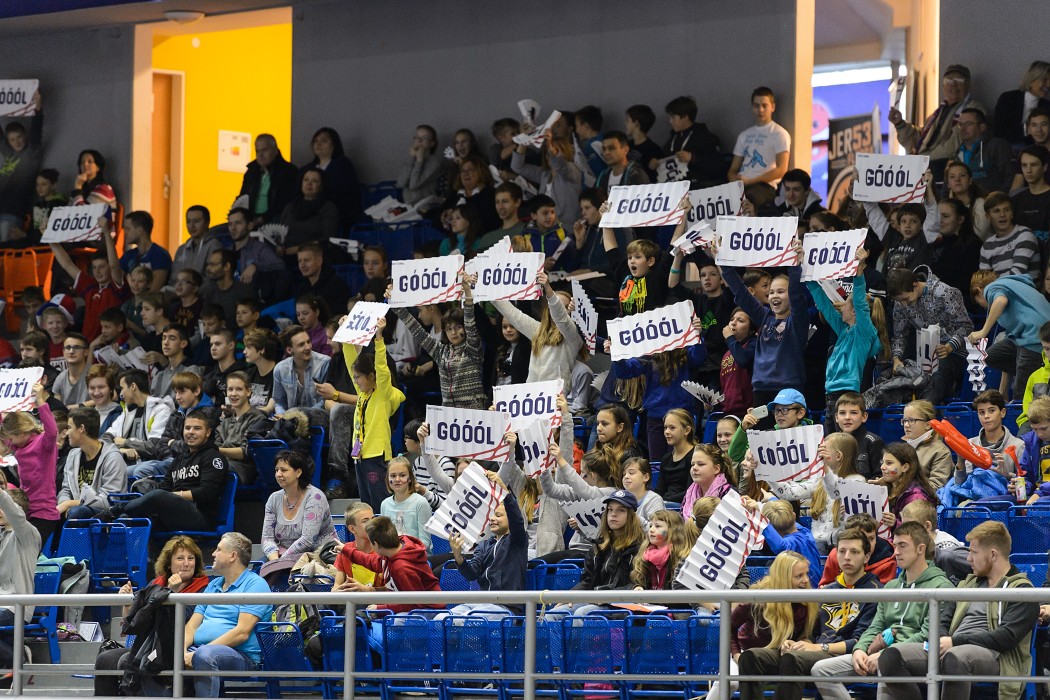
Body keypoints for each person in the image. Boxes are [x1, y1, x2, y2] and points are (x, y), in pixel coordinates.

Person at [878, 521, 1038, 700]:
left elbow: (1006, 638)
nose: (968, 558)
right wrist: (942, 639)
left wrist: (955, 641)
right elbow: (944, 619)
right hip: (951, 647)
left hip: (995, 655)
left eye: (973, 552)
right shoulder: (967, 584)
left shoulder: (1022, 590)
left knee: (956, 657)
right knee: (890, 656)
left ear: (993, 555)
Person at [812, 521, 954, 700]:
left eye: (902, 546)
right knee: (820, 670)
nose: (896, 552)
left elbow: (927, 635)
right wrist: (860, 650)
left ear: (921, 549)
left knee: (887, 664)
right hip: (880, 652)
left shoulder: (940, 587)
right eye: (895, 546)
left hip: (912, 655)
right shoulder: (892, 586)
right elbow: (875, 626)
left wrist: (884, 654)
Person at [738, 527, 881, 700]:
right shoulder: (827, 590)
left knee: (793, 659)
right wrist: (796, 643)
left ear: (866, 557)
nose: (847, 557)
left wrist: (816, 647)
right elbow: (812, 634)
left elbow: (860, 641)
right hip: (811, 653)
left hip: (844, 657)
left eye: (854, 552)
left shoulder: (876, 592)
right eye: (842, 551)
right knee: (751, 657)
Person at [93, 536, 210, 697]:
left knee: (128, 662)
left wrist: (171, 593)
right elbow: (134, 622)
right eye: (180, 558)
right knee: (105, 660)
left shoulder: (204, 588)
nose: (187, 563)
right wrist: (127, 604)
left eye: (191, 558)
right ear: (169, 563)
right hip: (147, 644)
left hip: (173, 647)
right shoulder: (156, 583)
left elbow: (179, 619)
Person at [719, 241, 807, 425]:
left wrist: (795, 265)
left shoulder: (797, 322)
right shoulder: (764, 316)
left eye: (781, 291)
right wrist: (723, 262)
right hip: (760, 389)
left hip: (787, 389)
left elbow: (798, 298)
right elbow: (742, 294)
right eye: (772, 292)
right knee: (763, 439)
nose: (775, 295)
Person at [107, 410, 228, 532]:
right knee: (128, 519)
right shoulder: (178, 460)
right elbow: (165, 488)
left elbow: (207, 492)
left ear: (208, 432)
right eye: (187, 428)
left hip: (200, 516)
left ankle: (113, 510)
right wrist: (167, 497)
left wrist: (174, 496)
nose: (191, 432)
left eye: (197, 428)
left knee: (158, 496)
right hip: (173, 512)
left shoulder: (213, 457)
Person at [183, 533, 273, 698]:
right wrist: (180, 651)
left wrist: (197, 653)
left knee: (204, 657)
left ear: (232, 556)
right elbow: (192, 625)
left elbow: (241, 633)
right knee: (159, 655)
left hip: (241, 656)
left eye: (218, 549)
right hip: (200, 650)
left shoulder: (256, 584)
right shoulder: (214, 585)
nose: (213, 554)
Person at [391, 275, 487, 409]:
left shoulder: (472, 349)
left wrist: (468, 294)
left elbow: (470, 322)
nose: (453, 332)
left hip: (473, 412)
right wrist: (396, 305)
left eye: (458, 327)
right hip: (448, 412)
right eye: (449, 329)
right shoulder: (441, 351)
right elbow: (416, 330)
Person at [341, 316, 404, 509]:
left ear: (371, 376)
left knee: (379, 504)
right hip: (360, 456)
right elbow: (350, 359)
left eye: (358, 377)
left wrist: (378, 337)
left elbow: (382, 369)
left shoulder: (383, 393)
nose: (356, 381)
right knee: (366, 505)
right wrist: (345, 336)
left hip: (376, 455)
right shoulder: (363, 393)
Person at [887, 266, 973, 405]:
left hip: (958, 351)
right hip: (926, 354)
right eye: (900, 300)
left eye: (905, 298)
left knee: (936, 378)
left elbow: (966, 326)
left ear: (915, 285)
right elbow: (899, 335)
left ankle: (922, 414)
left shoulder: (945, 293)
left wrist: (950, 346)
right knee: (905, 378)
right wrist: (896, 358)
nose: (903, 303)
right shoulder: (900, 303)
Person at [447, 471, 527, 616]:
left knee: (473, 619)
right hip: (481, 603)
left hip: (506, 607)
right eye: (491, 515)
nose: (492, 519)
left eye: (498, 515)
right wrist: (458, 556)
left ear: (509, 519)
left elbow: (517, 518)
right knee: (444, 618)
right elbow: (472, 574)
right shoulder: (484, 545)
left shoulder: (518, 540)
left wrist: (504, 490)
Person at [969, 270, 1050, 398]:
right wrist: (1003, 391)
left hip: (1034, 337)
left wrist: (983, 331)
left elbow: (1000, 301)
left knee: (1020, 394)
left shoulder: (993, 287)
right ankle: (1030, 370)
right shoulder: (1015, 287)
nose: (984, 307)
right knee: (990, 356)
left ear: (979, 291)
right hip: (1027, 337)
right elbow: (1008, 353)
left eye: (979, 302)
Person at [343, 515, 443, 613]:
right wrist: (345, 550)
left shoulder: (402, 569)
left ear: (376, 544)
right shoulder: (392, 553)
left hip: (428, 610)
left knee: (397, 620)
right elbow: (373, 562)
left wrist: (380, 609)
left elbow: (415, 604)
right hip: (408, 603)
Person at [48, 215, 127, 341]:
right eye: (94, 268)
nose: (97, 271)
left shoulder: (117, 286)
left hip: (111, 345)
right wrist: (50, 238)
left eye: (102, 267)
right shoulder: (90, 286)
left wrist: (106, 232)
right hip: (88, 345)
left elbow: (114, 265)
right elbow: (66, 264)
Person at [0, 383, 59, 544]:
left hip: (44, 513)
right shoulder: (19, 446)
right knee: (18, 556)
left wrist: (40, 401)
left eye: (11, 438)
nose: (8, 443)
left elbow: (52, 431)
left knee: (27, 554)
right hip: (26, 510)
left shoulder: (43, 444)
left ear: (20, 432)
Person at [889, 64, 986, 158]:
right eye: (949, 80)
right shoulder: (936, 115)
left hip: (947, 166)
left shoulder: (973, 110)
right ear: (943, 86)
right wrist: (900, 124)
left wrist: (924, 160)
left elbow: (954, 145)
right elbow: (919, 141)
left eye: (959, 79)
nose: (953, 84)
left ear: (968, 84)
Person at [261, 450, 335, 567]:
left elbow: (307, 540)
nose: (278, 474)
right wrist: (274, 559)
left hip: (317, 556)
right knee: (260, 569)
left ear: (298, 472)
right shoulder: (273, 499)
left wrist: (280, 562)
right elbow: (267, 538)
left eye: (284, 470)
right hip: (281, 556)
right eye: (276, 470)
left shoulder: (315, 497)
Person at [56, 407, 126, 521]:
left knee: (76, 512)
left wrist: (69, 504)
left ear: (81, 428)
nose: (66, 432)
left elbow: (109, 501)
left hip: (105, 514)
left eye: (69, 427)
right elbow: (66, 489)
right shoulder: (73, 455)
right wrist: (64, 503)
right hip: (76, 510)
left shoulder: (113, 457)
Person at [0, 486, 41, 681]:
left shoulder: (28, 534)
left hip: (17, 606)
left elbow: (13, 512)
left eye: (3, 507)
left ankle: (18, 659)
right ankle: (15, 655)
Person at [743, 498, 822, 586]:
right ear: (794, 516)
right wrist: (771, 499)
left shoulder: (791, 542)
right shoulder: (805, 532)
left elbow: (780, 546)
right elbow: (784, 515)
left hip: (807, 593)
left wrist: (761, 519)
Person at [104, 369, 173, 462]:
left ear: (133, 386)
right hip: (126, 462)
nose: (120, 394)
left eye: (122, 388)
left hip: (151, 463)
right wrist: (121, 450)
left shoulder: (161, 410)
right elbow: (104, 439)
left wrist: (125, 442)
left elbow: (154, 447)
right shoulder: (127, 412)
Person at [727, 87, 790, 187]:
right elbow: (733, 169)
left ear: (772, 107)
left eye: (764, 106)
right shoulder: (744, 135)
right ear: (752, 107)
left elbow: (781, 170)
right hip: (741, 183)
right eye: (756, 106)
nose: (760, 110)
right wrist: (733, 181)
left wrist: (751, 181)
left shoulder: (779, 133)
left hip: (765, 185)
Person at [214, 371, 269, 483]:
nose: (233, 394)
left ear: (248, 392)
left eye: (239, 389)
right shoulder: (225, 421)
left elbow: (246, 452)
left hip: (244, 468)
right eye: (230, 389)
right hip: (223, 462)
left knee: (212, 467)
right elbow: (217, 445)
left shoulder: (258, 418)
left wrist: (216, 450)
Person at [303, 126, 361, 228]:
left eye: (324, 141)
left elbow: (339, 193)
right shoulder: (307, 168)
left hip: (335, 212)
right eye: (315, 141)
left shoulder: (343, 165)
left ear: (334, 145)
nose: (318, 144)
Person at [225, 207, 286, 304]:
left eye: (238, 223)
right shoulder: (225, 252)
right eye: (230, 224)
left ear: (249, 225)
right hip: (229, 300)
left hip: (251, 303)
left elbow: (279, 264)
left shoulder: (259, 248)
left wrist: (255, 265)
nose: (233, 228)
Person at [240, 134, 298, 227]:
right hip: (250, 219)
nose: (260, 155)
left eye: (264, 150)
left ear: (275, 151)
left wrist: (262, 219)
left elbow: (285, 203)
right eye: (257, 151)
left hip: (275, 221)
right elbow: (243, 197)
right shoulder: (251, 171)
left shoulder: (288, 172)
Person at [280, 166, 339, 258]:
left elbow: (328, 238)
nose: (309, 184)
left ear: (322, 186)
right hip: (286, 253)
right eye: (306, 180)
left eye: (315, 181)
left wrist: (301, 248)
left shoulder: (328, 208)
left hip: (314, 254)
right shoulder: (290, 207)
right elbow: (280, 232)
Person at [950, 108, 1014, 193]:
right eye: (960, 124)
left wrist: (998, 200)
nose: (963, 128)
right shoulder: (956, 154)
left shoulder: (996, 145)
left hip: (992, 202)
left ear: (982, 127)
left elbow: (1010, 177)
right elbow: (947, 186)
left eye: (968, 124)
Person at [272, 325, 331, 416]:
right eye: (301, 345)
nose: (308, 347)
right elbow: (279, 401)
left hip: (318, 417)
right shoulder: (280, 369)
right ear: (289, 350)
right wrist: (281, 414)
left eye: (308, 342)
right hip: (291, 420)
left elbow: (325, 400)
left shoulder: (324, 363)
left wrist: (300, 415)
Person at [980, 192, 1041, 279]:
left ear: (1012, 213)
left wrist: (994, 279)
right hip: (997, 290)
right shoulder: (987, 246)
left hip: (1024, 291)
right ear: (988, 217)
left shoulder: (1025, 235)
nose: (1002, 215)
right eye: (996, 211)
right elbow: (983, 281)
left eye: (1006, 210)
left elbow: (1017, 275)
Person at [380, 456, 433, 553]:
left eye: (402, 475)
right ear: (387, 479)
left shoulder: (420, 503)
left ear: (410, 479)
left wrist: (403, 553)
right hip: (393, 558)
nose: (397, 479)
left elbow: (425, 542)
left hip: (417, 558)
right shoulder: (385, 504)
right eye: (392, 476)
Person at [881, 441, 939, 528]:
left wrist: (895, 524)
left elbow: (919, 530)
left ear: (905, 467)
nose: (882, 467)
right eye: (882, 462)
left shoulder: (916, 497)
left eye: (889, 463)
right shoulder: (888, 487)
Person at [993, 60, 1050, 145]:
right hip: (1008, 147)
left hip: (1035, 150)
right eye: (1044, 80)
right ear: (1031, 79)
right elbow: (999, 130)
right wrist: (1027, 128)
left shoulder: (1047, 106)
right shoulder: (1009, 98)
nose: (1049, 85)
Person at [900, 400, 953, 489]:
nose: (906, 425)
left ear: (928, 425)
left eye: (911, 420)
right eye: (904, 420)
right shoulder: (902, 448)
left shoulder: (941, 451)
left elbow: (936, 487)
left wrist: (903, 488)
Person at [291, 243, 351, 319]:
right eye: (300, 261)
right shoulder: (301, 288)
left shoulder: (337, 286)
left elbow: (339, 318)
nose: (302, 265)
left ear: (319, 261)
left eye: (306, 260)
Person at [333, 502, 383, 589]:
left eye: (373, 519)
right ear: (352, 529)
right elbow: (336, 587)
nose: (372, 524)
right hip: (352, 601)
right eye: (366, 521)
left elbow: (393, 590)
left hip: (381, 602)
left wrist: (367, 590)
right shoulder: (345, 550)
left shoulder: (385, 549)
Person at [118, 210, 171, 291]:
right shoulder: (129, 255)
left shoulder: (160, 255)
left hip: (149, 302)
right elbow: (116, 278)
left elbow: (154, 291)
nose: (125, 233)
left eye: (128, 229)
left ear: (140, 230)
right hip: (130, 301)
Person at [655, 408, 699, 504]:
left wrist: (665, 501)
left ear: (686, 430)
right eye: (665, 427)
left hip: (684, 506)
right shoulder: (666, 459)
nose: (667, 431)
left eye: (672, 428)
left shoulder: (695, 457)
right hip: (665, 505)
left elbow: (691, 491)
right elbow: (659, 490)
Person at [200, 249, 253, 326]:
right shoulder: (209, 292)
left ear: (227, 266)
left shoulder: (244, 291)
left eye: (213, 264)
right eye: (208, 264)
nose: (208, 268)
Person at [395, 124, 443, 206]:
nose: (419, 141)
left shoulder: (435, 163)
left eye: (424, 138)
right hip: (408, 204)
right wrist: (412, 158)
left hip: (425, 205)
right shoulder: (412, 158)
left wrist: (419, 162)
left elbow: (414, 185)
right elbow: (400, 183)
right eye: (417, 137)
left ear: (431, 143)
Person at [150, 324, 200, 400]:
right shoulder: (160, 374)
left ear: (183, 344)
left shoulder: (191, 369)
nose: (166, 343)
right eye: (164, 338)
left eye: (172, 339)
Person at [171, 205, 221, 279]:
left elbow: (212, 279)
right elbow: (173, 278)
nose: (192, 226)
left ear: (207, 222)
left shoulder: (214, 245)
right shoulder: (182, 249)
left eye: (196, 221)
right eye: (188, 222)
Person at [1011, 145, 1050, 240]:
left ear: (1044, 167)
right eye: (1024, 165)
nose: (1028, 170)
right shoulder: (1015, 200)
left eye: (1034, 165)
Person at [474, 182, 525, 253]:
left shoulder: (528, 232)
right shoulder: (487, 239)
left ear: (517, 202)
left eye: (505, 201)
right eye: (497, 202)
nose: (500, 207)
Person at [202, 329, 247, 405]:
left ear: (231, 345)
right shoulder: (209, 376)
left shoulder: (243, 374)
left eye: (218, 344)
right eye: (211, 345)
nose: (213, 348)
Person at [51, 332, 90, 408]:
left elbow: (112, 396)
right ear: (63, 352)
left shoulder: (96, 373)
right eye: (68, 348)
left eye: (77, 347)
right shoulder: (60, 378)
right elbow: (58, 409)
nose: (71, 351)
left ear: (86, 352)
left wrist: (78, 406)